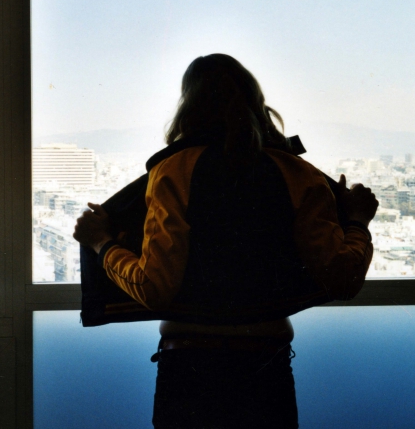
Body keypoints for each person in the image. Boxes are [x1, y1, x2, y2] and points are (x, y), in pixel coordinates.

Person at [73, 54, 378, 428]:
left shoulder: (172, 171)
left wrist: (102, 243)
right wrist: (357, 221)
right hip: (267, 370)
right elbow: (343, 278)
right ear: (256, 101)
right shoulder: (298, 173)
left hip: (188, 370)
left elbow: (154, 287)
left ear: (188, 106)